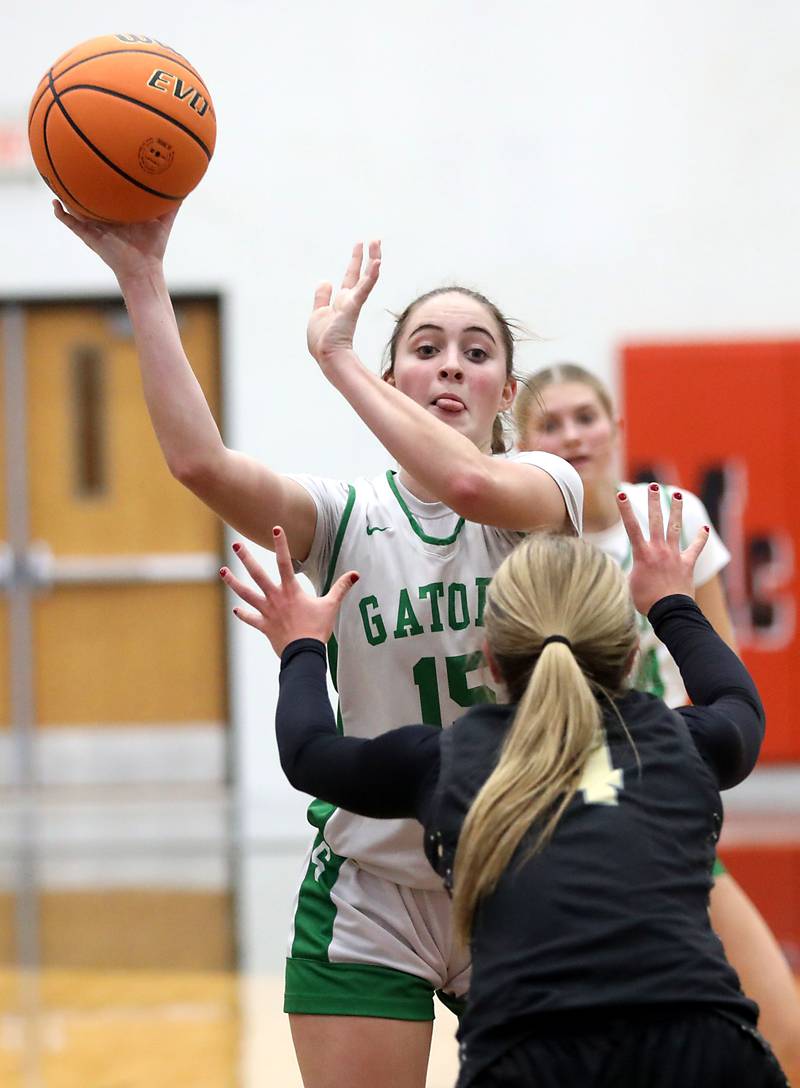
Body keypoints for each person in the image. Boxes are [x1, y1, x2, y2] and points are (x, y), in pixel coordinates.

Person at [53, 203, 582, 1088]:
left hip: (520, 874)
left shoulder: (544, 489)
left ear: (507, 391)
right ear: (395, 378)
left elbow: (464, 478)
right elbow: (202, 466)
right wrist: (143, 281)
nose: (450, 363)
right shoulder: (348, 515)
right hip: (373, 888)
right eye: (426, 348)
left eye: (476, 351)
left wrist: (334, 361)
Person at [221, 490, 788, 1087]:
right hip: (706, 1053)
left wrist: (302, 646)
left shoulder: (454, 760)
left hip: (531, 1059)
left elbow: (309, 753)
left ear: (490, 663)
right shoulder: (681, 743)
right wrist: (673, 602)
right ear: (629, 660)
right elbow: (741, 705)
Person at [514, 361, 800, 1079]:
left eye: (585, 416)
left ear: (618, 427)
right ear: (521, 446)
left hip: (661, 797)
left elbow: (721, 666)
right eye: (549, 423)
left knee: (784, 1030)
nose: (572, 435)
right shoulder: (514, 539)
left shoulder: (674, 515)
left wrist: (674, 755)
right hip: (563, 817)